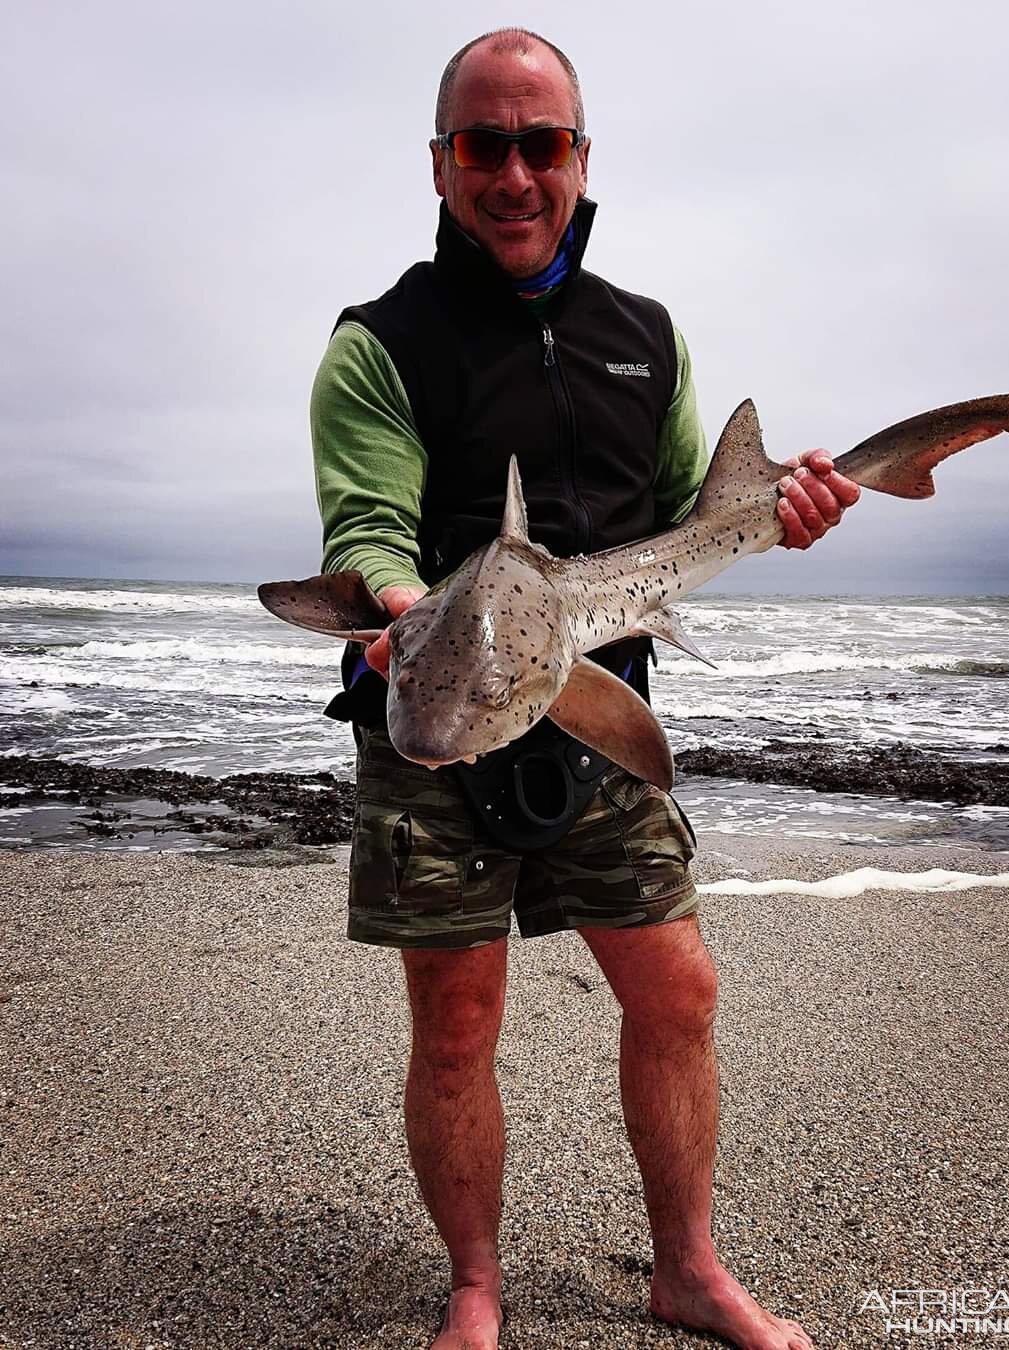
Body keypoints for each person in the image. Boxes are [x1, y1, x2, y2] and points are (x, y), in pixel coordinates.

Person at [311, 28, 859, 1350]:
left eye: (539, 144)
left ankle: (686, 1267)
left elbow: (688, 517)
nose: (513, 172)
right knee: (457, 1017)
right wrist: (404, 609)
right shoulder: (378, 344)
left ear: (579, 158)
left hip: (601, 706)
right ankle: (477, 1288)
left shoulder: (645, 338)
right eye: (482, 145)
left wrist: (775, 512)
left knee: (676, 988)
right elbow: (370, 532)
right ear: (440, 164)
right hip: (432, 702)